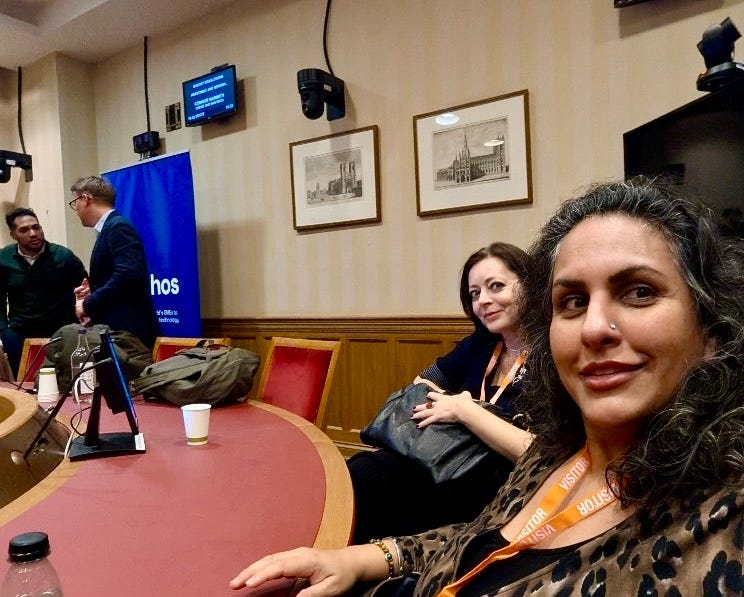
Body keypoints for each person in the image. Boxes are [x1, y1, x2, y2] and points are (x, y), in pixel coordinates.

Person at [230, 179, 744, 596]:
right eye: (572, 301)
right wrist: (358, 559)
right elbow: (484, 539)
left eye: (639, 292)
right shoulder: (558, 450)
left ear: (712, 330)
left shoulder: (721, 520)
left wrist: (465, 411)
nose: (593, 327)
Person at [348, 242, 534, 543]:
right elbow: (421, 383)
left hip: (505, 484)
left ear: (530, 284)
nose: (484, 301)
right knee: (367, 470)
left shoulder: (552, 355)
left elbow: (539, 453)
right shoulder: (481, 345)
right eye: (474, 294)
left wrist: (465, 411)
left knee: (376, 483)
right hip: (451, 462)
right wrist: (449, 405)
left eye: (496, 286)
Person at [69, 176, 159, 348]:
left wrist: (87, 304)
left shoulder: (117, 226)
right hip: (120, 330)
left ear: (85, 199)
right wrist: (93, 290)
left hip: (128, 332)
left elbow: (128, 276)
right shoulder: (110, 227)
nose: (76, 210)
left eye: (75, 203)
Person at [0, 207, 87, 377]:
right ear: (13, 235)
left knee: (65, 382)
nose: (33, 234)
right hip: (20, 333)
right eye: (24, 230)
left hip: (61, 332)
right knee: (23, 385)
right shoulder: (4, 259)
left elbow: (87, 288)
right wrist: (3, 333)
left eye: (36, 227)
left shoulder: (63, 256)